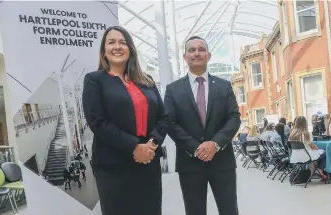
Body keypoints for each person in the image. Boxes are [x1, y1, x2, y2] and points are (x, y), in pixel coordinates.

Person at [82, 26, 168, 215]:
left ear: (130, 48)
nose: (117, 47)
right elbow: (97, 121)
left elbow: (163, 116)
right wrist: (134, 147)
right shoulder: (94, 80)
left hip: (148, 162)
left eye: (122, 42)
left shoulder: (147, 81)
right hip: (113, 167)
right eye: (111, 42)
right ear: (104, 51)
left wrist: (150, 145)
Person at [164, 36, 241, 215]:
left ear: (209, 55)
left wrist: (215, 144)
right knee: (194, 211)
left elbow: (234, 118)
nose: (196, 53)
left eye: (201, 49)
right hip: (189, 162)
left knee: (229, 210)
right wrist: (196, 147)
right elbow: (169, 122)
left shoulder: (224, 86)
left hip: (222, 161)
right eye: (191, 50)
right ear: (185, 57)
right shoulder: (173, 90)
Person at [289, 116, 327, 180]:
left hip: (295, 156)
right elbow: (313, 147)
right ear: (305, 123)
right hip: (306, 156)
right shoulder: (306, 133)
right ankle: (318, 170)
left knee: (314, 158)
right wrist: (317, 149)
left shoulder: (292, 134)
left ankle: (314, 172)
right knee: (324, 152)